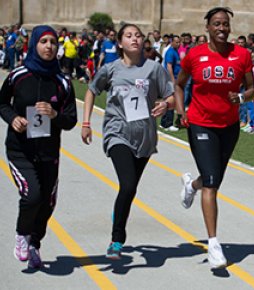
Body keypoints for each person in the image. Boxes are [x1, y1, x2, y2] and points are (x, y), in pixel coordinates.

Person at [81, 23, 175, 260]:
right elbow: (92, 90)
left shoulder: (154, 69)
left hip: (144, 138)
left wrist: (166, 104)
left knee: (129, 190)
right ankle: (116, 240)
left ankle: (119, 212)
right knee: (128, 185)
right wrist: (86, 122)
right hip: (117, 133)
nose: (134, 39)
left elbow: (171, 96)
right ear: (120, 43)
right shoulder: (111, 69)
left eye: (138, 35)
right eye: (129, 36)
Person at [175, 6, 254, 269]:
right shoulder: (194, 55)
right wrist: (180, 110)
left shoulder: (242, 55)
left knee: (213, 179)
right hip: (200, 124)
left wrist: (241, 97)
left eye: (225, 24)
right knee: (213, 183)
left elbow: (252, 89)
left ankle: (191, 186)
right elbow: (179, 84)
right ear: (207, 27)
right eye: (217, 24)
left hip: (229, 125)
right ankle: (214, 244)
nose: (222, 28)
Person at [0, 25, 77, 268]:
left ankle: (35, 243)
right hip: (20, 150)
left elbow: (71, 119)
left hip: (48, 153)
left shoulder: (63, 82)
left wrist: (55, 114)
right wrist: (13, 118)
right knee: (31, 195)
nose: (49, 46)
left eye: (53, 42)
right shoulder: (18, 75)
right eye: (43, 41)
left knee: (47, 202)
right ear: (34, 44)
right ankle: (22, 236)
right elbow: (2, 103)